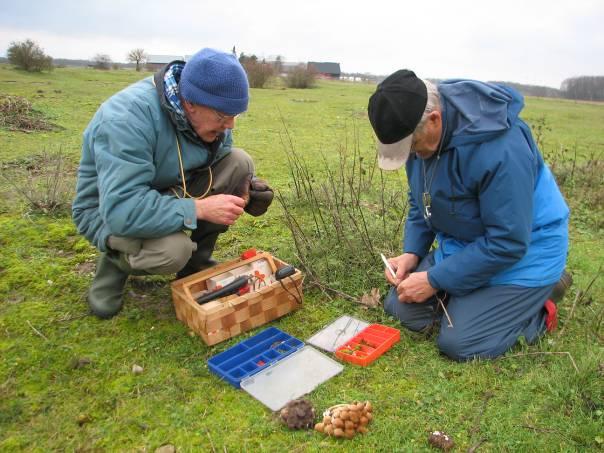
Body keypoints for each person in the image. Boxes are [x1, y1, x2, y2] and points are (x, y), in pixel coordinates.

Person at [367, 70, 570, 361]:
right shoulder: (419, 135)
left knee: (460, 343)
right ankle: (473, 299)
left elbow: (508, 242)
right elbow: (421, 200)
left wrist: (435, 280)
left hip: (526, 252)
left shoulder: (501, 148)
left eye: (411, 146)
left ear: (435, 119)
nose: (410, 154)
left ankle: (541, 304)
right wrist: (412, 253)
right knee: (401, 310)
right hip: (466, 243)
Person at [73, 48, 274, 319]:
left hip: (165, 189)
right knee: (172, 251)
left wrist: (246, 190)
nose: (230, 126)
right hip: (109, 211)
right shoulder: (126, 119)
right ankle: (115, 261)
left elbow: (217, 169)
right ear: (190, 103)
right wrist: (199, 209)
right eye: (222, 116)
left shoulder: (209, 119)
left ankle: (195, 266)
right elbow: (122, 209)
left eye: (235, 115)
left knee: (240, 164)